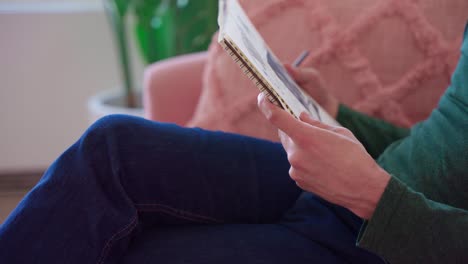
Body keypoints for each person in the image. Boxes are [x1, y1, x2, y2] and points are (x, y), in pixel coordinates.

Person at [1, 25, 467, 264]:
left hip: (389, 239)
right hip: (370, 181)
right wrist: (338, 114)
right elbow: (448, 136)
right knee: (112, 147)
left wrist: (371, 195)